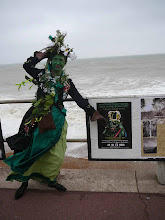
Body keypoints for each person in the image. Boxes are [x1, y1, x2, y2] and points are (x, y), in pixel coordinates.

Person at [4, 30, 106, 200]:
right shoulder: (41, 76)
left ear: (64, 64)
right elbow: (26, 66)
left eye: (61, 60)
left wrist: (93, 113)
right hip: (36, 118)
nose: (58, 62)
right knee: (31, 150)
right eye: (55, 59)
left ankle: (50, 179)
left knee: (56, 154)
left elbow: (79, 99)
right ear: (50, 62)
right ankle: (24, 181)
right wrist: (41, 55)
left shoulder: (67, 83)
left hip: (57, 120)